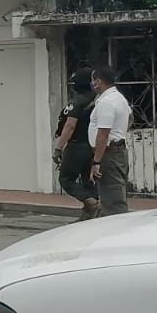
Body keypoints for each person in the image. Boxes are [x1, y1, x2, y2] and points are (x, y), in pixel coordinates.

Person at [53, 67, 101, 220]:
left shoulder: (78, 102)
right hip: (91, 146)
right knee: (87, 180)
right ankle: (88, 216)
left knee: (66, 179)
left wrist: (58, 148)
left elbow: (70, 125)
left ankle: (91, 203)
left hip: (76, 146)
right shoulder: (97, 100)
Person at [88, 63, 132, 216]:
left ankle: (117, 233)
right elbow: (130, 118)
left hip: (109, 154)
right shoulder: (119, 98)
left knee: (113, 201)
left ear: (99, 81)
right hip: (116, 150)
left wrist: (97, 161)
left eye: (94, 80)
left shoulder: (107, 102)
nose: (93, 84)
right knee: (113, 195)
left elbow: (103, 133)